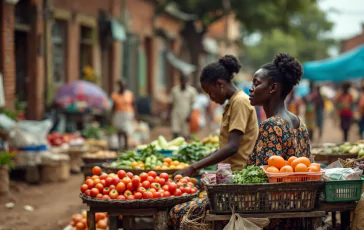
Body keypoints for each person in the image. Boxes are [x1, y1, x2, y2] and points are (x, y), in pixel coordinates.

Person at [169, 55, 259, 228]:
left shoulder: (240, 102)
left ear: (220, 84)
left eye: (210, 92)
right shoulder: (232, 103)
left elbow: (232, 147)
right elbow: (225, 146)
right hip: (227, 179)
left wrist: (194, 167)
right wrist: (195, 165)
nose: (210, 98)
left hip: (236, 181)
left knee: (177, 211)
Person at [247, 53, 310, 229]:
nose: (251, 88)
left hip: (273, 217)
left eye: (256, 83)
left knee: (180, 211)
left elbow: (261, 180)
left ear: (273, 88)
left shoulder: (271, 125)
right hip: (296, 211)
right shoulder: (299, 122)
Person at [111, 79, 137, 151]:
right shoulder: (115, 95)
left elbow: (133, 104)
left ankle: (126, 147)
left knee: (126, 131)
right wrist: (111, 116)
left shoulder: (129, 94)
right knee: (119, 131)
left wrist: (135, 115)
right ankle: (120, 146)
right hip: (118, 114)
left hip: (127, 114)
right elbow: (113, 107)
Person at [170, 73, 197, 139]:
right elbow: (171, 103)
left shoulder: (192, 91)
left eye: (185, 81)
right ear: (180, 81)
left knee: (185, 134)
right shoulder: (174, 90)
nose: (183, 82)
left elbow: (193, 105)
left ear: (187, 81)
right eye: (182, 81)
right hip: (176, 114)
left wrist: (190, 115)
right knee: (175, 132)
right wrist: (168, 114)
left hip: (186, 115)